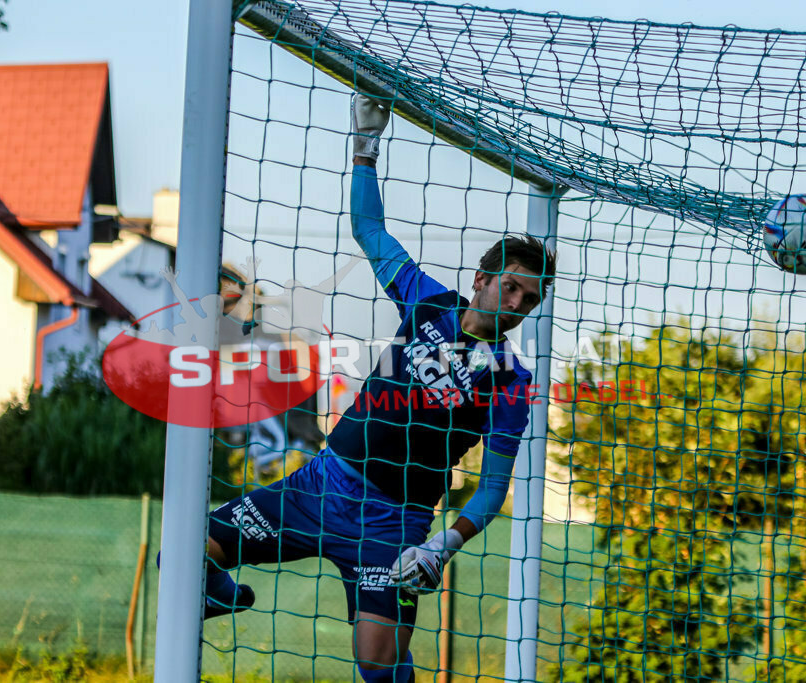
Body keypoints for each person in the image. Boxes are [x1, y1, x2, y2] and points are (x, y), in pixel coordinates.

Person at [203, 94, 557, 682]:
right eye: (512, 287)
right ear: (482, 280)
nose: (517, 304)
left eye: (529, 299)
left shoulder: (512, 385)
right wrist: (365, 146)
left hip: (394, 524)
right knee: (191, 549)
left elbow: (493, 491)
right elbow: (370, 230)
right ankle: (216, 595)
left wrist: (441, 547)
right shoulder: (427, 301)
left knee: (377, 665)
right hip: (317, 488)